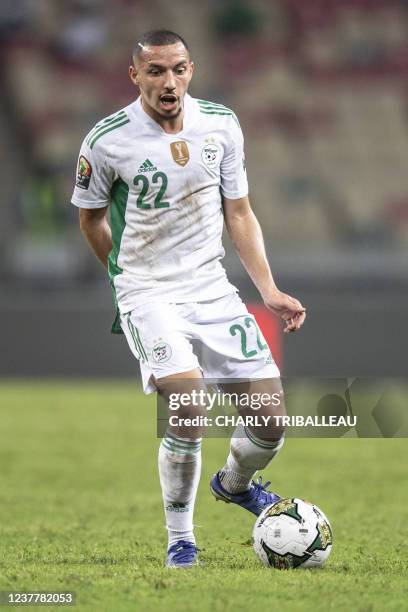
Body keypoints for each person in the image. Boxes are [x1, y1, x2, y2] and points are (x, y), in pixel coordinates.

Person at [72, 29, 306, 568]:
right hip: (148, 291)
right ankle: (182, 538)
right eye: (155, 71)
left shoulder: (221, 125)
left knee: (271, 422)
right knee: (187, 402)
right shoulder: (106, 141)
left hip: (211, 289)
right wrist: (122, 277)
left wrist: (267, 290)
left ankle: (234, 483)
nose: (168, 81)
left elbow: (239, 213)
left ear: (191, 70)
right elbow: (91, 219)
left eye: (177, 69)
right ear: (135, 76)